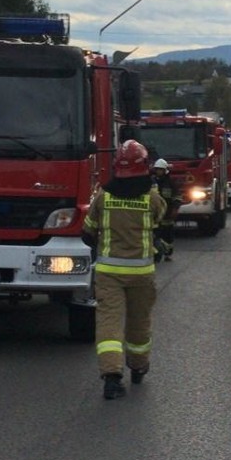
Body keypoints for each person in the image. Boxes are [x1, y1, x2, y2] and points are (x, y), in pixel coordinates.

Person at [82, 140, 165, 399]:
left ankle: (112, 377)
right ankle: (138, 368)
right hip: (142, 275)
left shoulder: (103, 198)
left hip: (109, 274)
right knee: (139, 324)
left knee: (109, 324)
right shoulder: (152, 199)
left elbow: (87, 232)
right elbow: (160, 222)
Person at [150, 157, 180, 260]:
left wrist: (175, 209)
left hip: (168, 214)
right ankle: (157, 253)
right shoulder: (152, 182)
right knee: (156, 235)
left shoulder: (171, 183)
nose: (159, 171)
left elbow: (177, 197)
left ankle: (168, 253)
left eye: (160, 169)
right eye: (157, 169)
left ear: (165, 170)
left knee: (168, 235)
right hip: (155, 215)